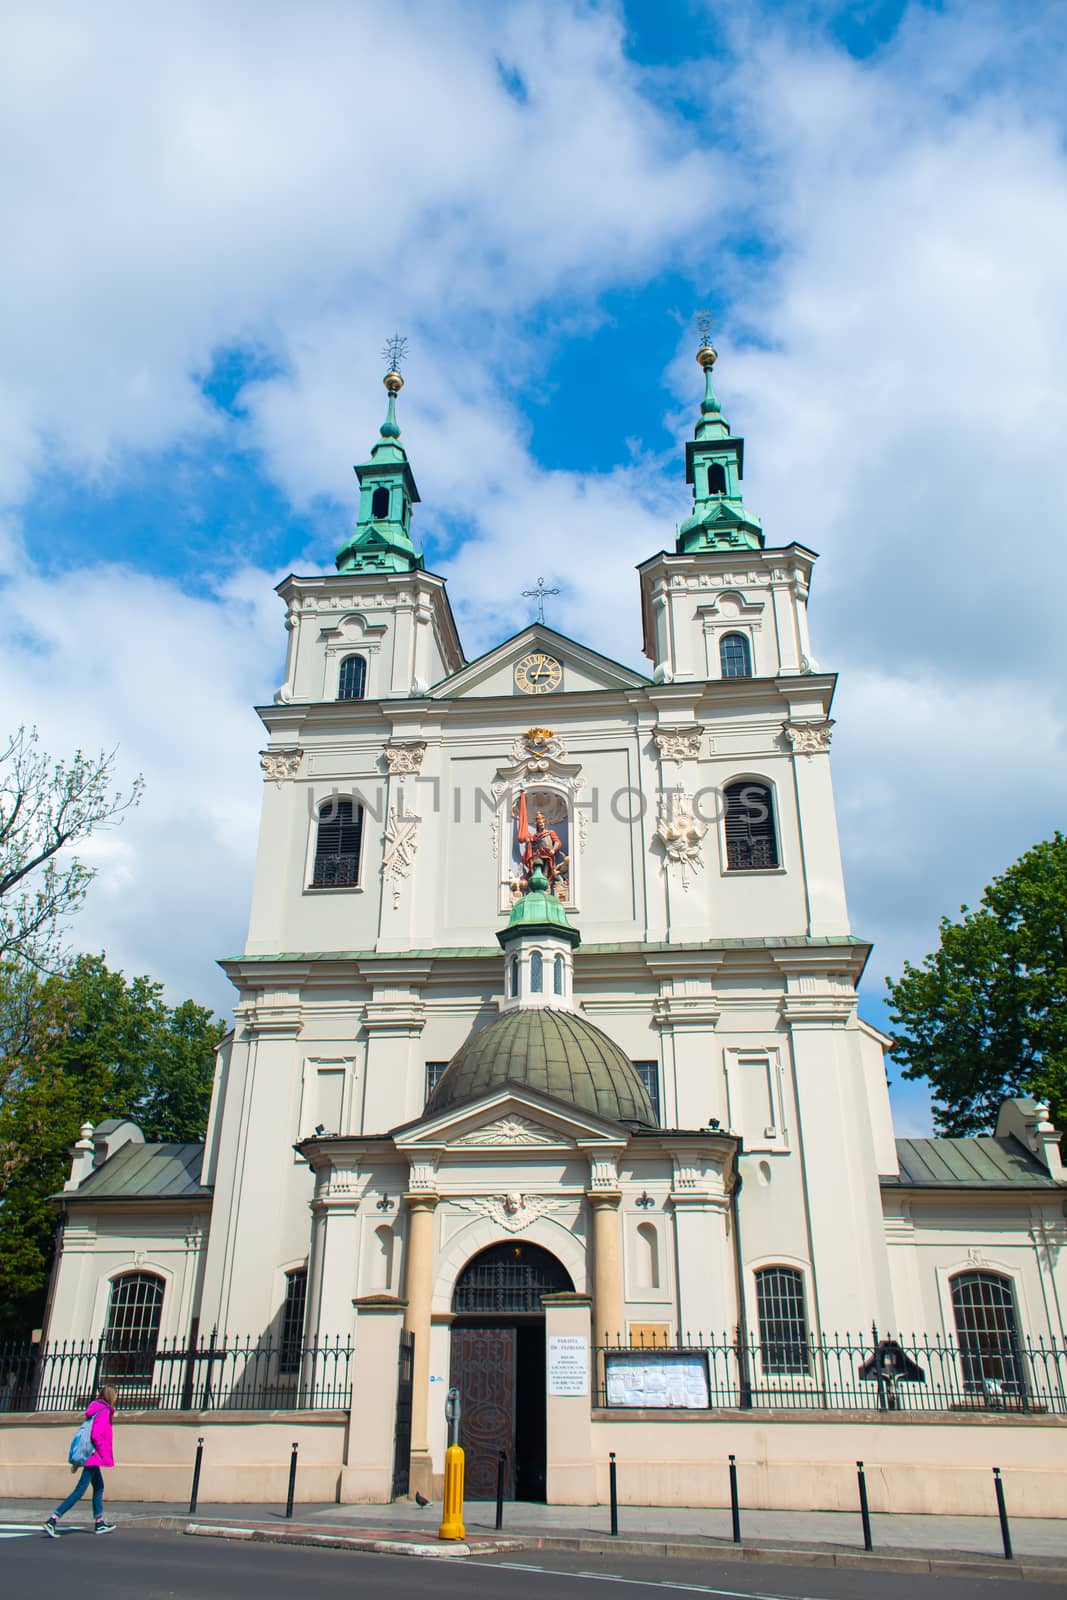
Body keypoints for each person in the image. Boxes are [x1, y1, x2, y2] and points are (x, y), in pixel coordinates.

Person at [43, 1384, 117, 1536]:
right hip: (94, 1456)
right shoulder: (103, 1412)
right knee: (79, 1491)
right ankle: (53, 1519)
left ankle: (99, 1522)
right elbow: (96, 1435)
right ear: (111, 1396)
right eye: (115, 1395)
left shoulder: (95, 1410)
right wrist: (103, 1454)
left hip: (91, 1456)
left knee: (99, 1486)